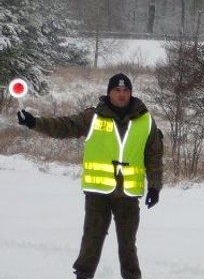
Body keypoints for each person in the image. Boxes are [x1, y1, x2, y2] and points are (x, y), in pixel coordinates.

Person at [16, 73, 164, 279]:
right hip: (98, 193)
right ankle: (83, 276)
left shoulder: (145, 120)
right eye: (117, 90)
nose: (121, 95)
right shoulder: (93, 116)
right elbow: (64, 127)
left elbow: (154, 155)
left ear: (130, 93)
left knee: (128, 244)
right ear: (109, 93)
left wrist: (155, 186)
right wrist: (34, 122)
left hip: (128, 195)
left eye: (125, 91)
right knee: (91, 242)